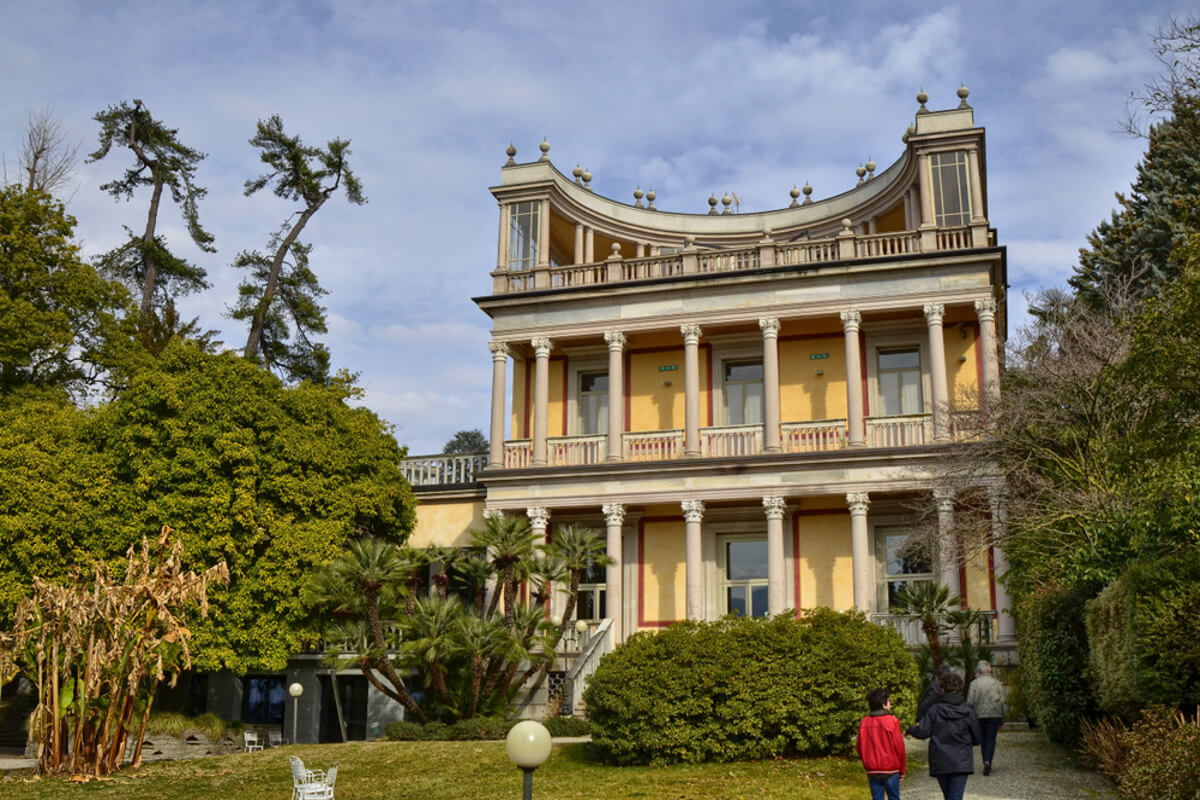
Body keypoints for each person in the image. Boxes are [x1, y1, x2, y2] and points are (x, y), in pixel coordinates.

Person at [907, 671, 981, 800]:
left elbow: (923, 732)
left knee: (949, 796)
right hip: (961, 759)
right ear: (960, 689)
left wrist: (911, 729)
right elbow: (977, 737)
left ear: (942, 690)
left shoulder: (935, 710)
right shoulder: (968, 710)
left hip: (940, 759)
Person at [857, 688, 906, 800]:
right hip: (890, 768)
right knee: (894, 797)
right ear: (884, 704)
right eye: (888, 701)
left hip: (872, 768)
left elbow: (859, 747)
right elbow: (900, 748)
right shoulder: (892, 721)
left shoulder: (864, 722)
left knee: (877, 797)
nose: (890, 703)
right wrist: (902, 770)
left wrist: (867, 761)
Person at [966, 660, 1006, 775]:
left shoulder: (974, 684)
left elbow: (970, 702)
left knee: (983, 739)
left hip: (979, 715)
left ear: (979, 671)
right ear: (990, 670)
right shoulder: (997, 683)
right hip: (994, 714)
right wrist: (1003, 717)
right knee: (991, 739)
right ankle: (988, 761)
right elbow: (1002, 701)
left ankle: (985, 761)